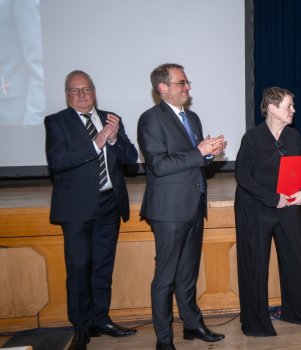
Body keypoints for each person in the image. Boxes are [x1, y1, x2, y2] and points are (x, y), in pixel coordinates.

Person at [44, 70, 138, 350]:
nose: (82, 95)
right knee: (78, 268)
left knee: (102, 267)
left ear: (94, 91)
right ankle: (81, 327)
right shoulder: (56, 122)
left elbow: (131, 157)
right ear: (66, 95)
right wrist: (95, 144)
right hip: (76, 208)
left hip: (109, 203)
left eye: (86, 89)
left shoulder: (110, 118)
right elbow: (57, 161)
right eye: (75, 90)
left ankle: (101, 319)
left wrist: (114, 140)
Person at [137, 63, 226, 350]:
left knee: (188, 273)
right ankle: (164, 340)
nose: (188, 87)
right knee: (165, 278)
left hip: (194, 205)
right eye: (181, 83)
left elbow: (194, 160)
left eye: (187, 82)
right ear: (162, 88)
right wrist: (199, 152)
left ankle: (192, 325)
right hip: (168, 211)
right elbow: (159, 165)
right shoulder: (150, 119)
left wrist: (209, 153)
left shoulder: (193, 117)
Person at [234, 87, 301, 336]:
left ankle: (299, 313)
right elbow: (242, 176)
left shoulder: (294, 137)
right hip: (257, 208)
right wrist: (273, 199)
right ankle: (255, 322)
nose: (293, 111)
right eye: (289, 106)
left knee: (296, 259)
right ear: (272, 108)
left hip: (290, 207)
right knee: (255, 265)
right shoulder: (252, 138)